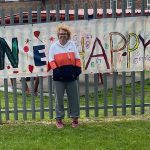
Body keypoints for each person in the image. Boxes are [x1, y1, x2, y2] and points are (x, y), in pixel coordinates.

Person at [49, 24, 81, 128]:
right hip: (59, 78)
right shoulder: (53, 46)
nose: (63, 35)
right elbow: (51, 60)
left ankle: (75, 119)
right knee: (59, 99)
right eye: (61, 34)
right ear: (58, 35)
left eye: (65, 33)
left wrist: (77, 70)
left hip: (71, 77)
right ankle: (59, 119)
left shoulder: (72, 45)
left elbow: (77, 58)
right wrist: (56, 70)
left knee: (74, 98)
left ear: (68, 35)